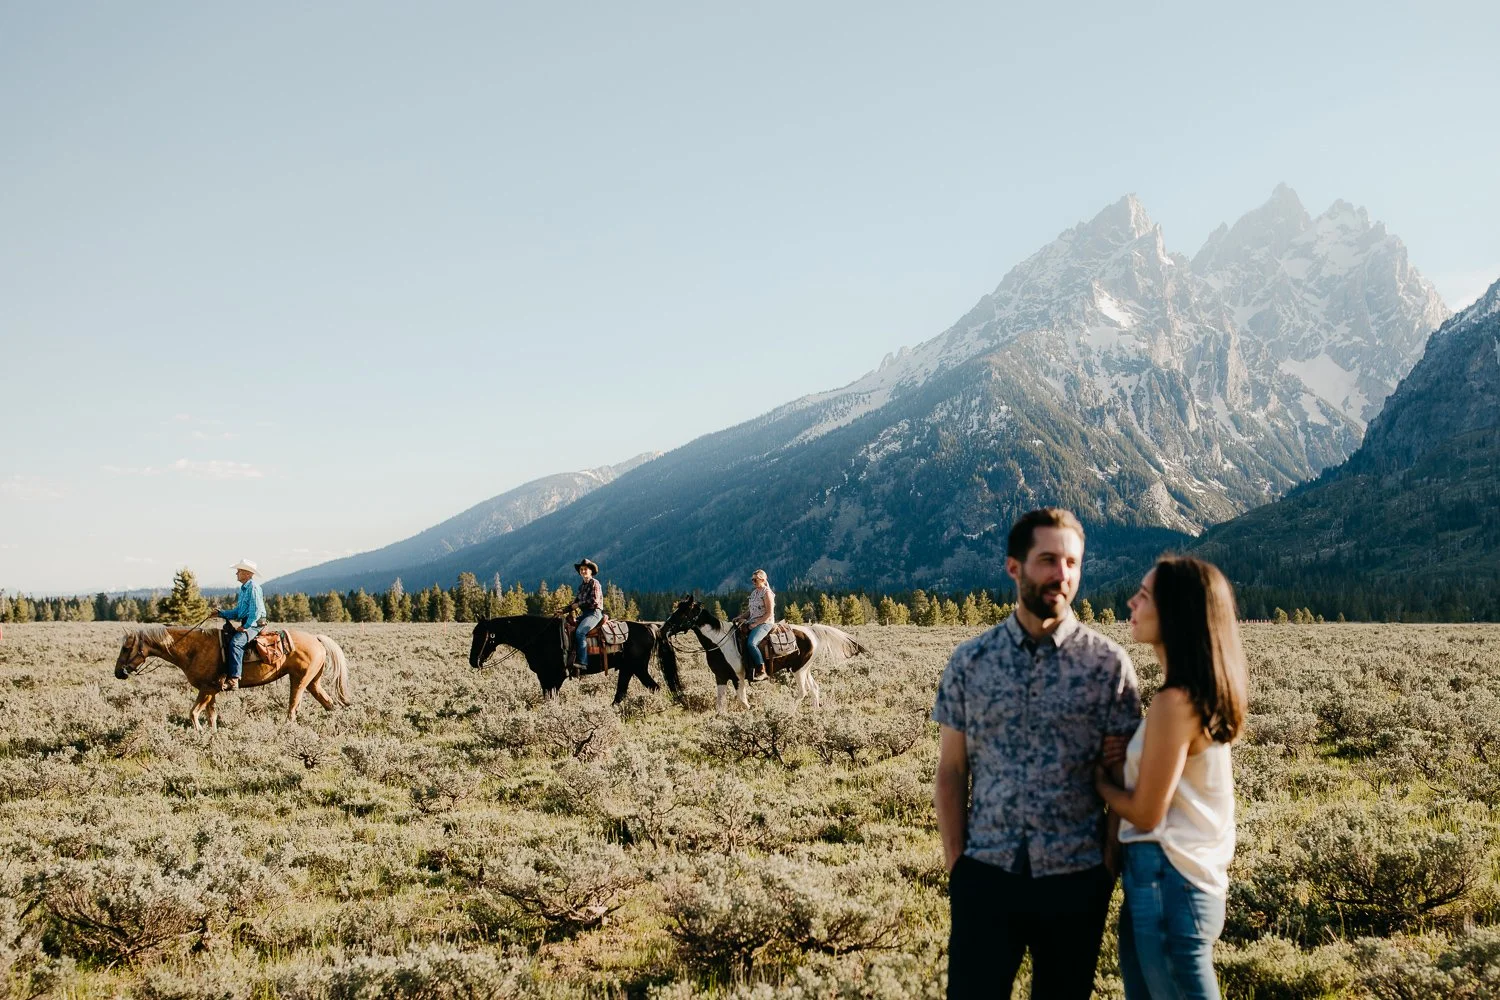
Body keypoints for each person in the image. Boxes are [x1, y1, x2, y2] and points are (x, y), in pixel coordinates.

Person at [932, 508, 1142, 1000]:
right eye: (1048, 560)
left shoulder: (1108, 666)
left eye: (1072, 562)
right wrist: (957, 865)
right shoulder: (970, 662)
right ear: (1014, 567)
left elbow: (1123, 777)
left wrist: (1105, 869)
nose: (1062, 575)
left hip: (1075, 880)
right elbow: (951, 769)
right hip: (985, 876)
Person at [1093, 556, 1247, 1000]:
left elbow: (1146, 810)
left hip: (1169, 875)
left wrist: (1097, 780)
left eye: (1143, 595)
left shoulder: (1173, 702)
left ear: (1175, 611)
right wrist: (1127, 763)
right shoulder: (1191, 695)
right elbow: (1170, 789)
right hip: (1174, 877)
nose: (1131, 603)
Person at [217, 559, 266, 691]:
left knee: (236, 643)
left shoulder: (253, 588)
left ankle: (234, 679)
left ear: (247, 574)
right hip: (249, 622)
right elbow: (238, 612)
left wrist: (246, 626)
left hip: (256, 624)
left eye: (239, 571)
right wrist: (220, 614)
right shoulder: (244, 589)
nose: (236, 574)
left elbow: (255, 612)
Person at [735, 569, 776, 682]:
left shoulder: (767, 593)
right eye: (752, 579)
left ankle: (761, 670)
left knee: (751, 643)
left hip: (765, 623)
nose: (753, 582)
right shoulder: (754, 593)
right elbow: (750, 611)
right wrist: (740, 617)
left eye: (755, 579)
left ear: (763, 579)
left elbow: (769, 613)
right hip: (753, 621)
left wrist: (756, 624)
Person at [566, 558, 604, 673]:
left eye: (585, 569)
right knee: (568, 628)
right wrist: (563, 610)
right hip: (585, 614)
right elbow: (575, 602)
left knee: (580, 632)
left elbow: (594, 601)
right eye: (581, 569)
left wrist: (578, 604)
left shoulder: (595, 583)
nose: (583, 571)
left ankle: (583, 662)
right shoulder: (582, 586)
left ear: (591, 571)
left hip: (594, 613)